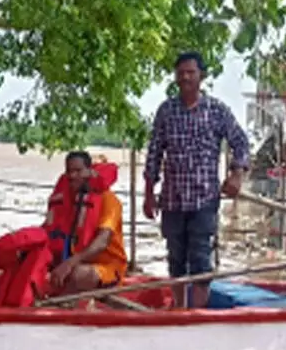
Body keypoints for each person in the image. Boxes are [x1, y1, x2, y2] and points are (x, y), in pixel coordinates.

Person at [143, 51, 251, 308]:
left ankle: (198, 312)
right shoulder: (166, 111)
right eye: (180, 73)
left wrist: (236, 174)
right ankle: (179, 308)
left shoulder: (216, 110)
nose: (185, 77)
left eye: (190, 72)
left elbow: (240, 142)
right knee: (176, 259)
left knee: (201, 259)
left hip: (204, 198)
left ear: (201, 76)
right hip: (172, 199)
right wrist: (148, 194)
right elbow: (154, 154)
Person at [45, 151, 129, 295]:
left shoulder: (110, 201)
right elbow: (49, 231)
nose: (72, 176)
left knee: (77, 274)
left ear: (90, 172)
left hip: (108, 268)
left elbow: (101, 242)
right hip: (76, 261)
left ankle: (65, 307)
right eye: (69, 171)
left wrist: (69, 264)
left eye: (78, 171)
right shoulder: (67, 201)